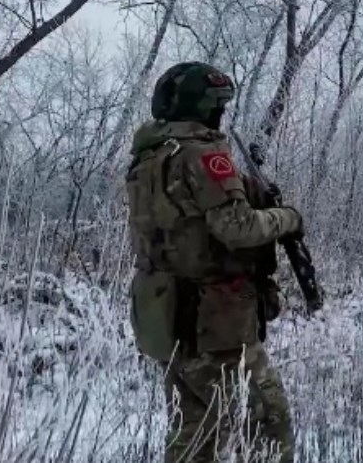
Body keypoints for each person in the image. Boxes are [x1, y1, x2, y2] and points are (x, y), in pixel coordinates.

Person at [125, 61, 303, 463]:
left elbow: (181, 229)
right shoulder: (202, 154)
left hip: (165, 316)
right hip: (214, 323)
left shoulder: (148, 157)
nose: (220, 113)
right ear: (204, 107)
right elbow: (237, 228)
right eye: (217, 105)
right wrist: (287, 218)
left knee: (195, 428)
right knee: (269, 422)